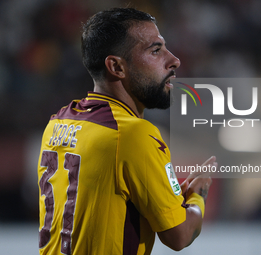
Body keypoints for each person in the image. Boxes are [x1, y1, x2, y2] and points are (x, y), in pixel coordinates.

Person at [37, 7, 217, 255]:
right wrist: (198, 197)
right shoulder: (133, 134)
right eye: (156, 50)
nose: (174, 60)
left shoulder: (57, 123)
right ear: (116, 67)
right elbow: (180, 235)